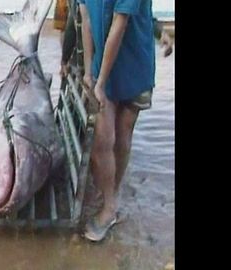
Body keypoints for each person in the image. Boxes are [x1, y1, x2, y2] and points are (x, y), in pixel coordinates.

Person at [77, 0, 155, 242]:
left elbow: (119, 24)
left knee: (122, 136)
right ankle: (110, 203)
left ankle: (111, 203)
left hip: (135, 65)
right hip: (103, 65)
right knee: (102, 140)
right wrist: (89, 73)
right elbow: (86, 20)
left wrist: (100, 82)